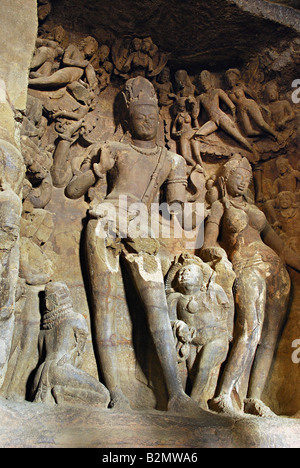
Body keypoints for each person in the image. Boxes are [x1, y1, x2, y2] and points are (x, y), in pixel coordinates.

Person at [65, 76, 204, 415]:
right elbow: (72, 190)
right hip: (106, 221)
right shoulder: (114, 150)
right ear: (127, 119)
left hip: (143, 231)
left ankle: (175, 393)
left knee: (156, 306)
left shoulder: (172, 161)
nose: (148, 121)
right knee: (106, 307)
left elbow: (176, 213)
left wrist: (196, 197)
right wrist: (96, 171)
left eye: (153, 116)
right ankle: (116, 392)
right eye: (140, 115)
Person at [201, 154, 300, 416]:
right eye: (238, 177)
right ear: (225, 179)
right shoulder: (220, 207)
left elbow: (282, 248)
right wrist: (218, 255)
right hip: (246, 266)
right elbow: (209, 243)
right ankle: (223, 394)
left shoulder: (256, 212)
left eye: (247, 178)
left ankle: (254, 398)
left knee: (268, 339)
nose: (243, 182)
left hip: (277, 272)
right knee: (249, 330)